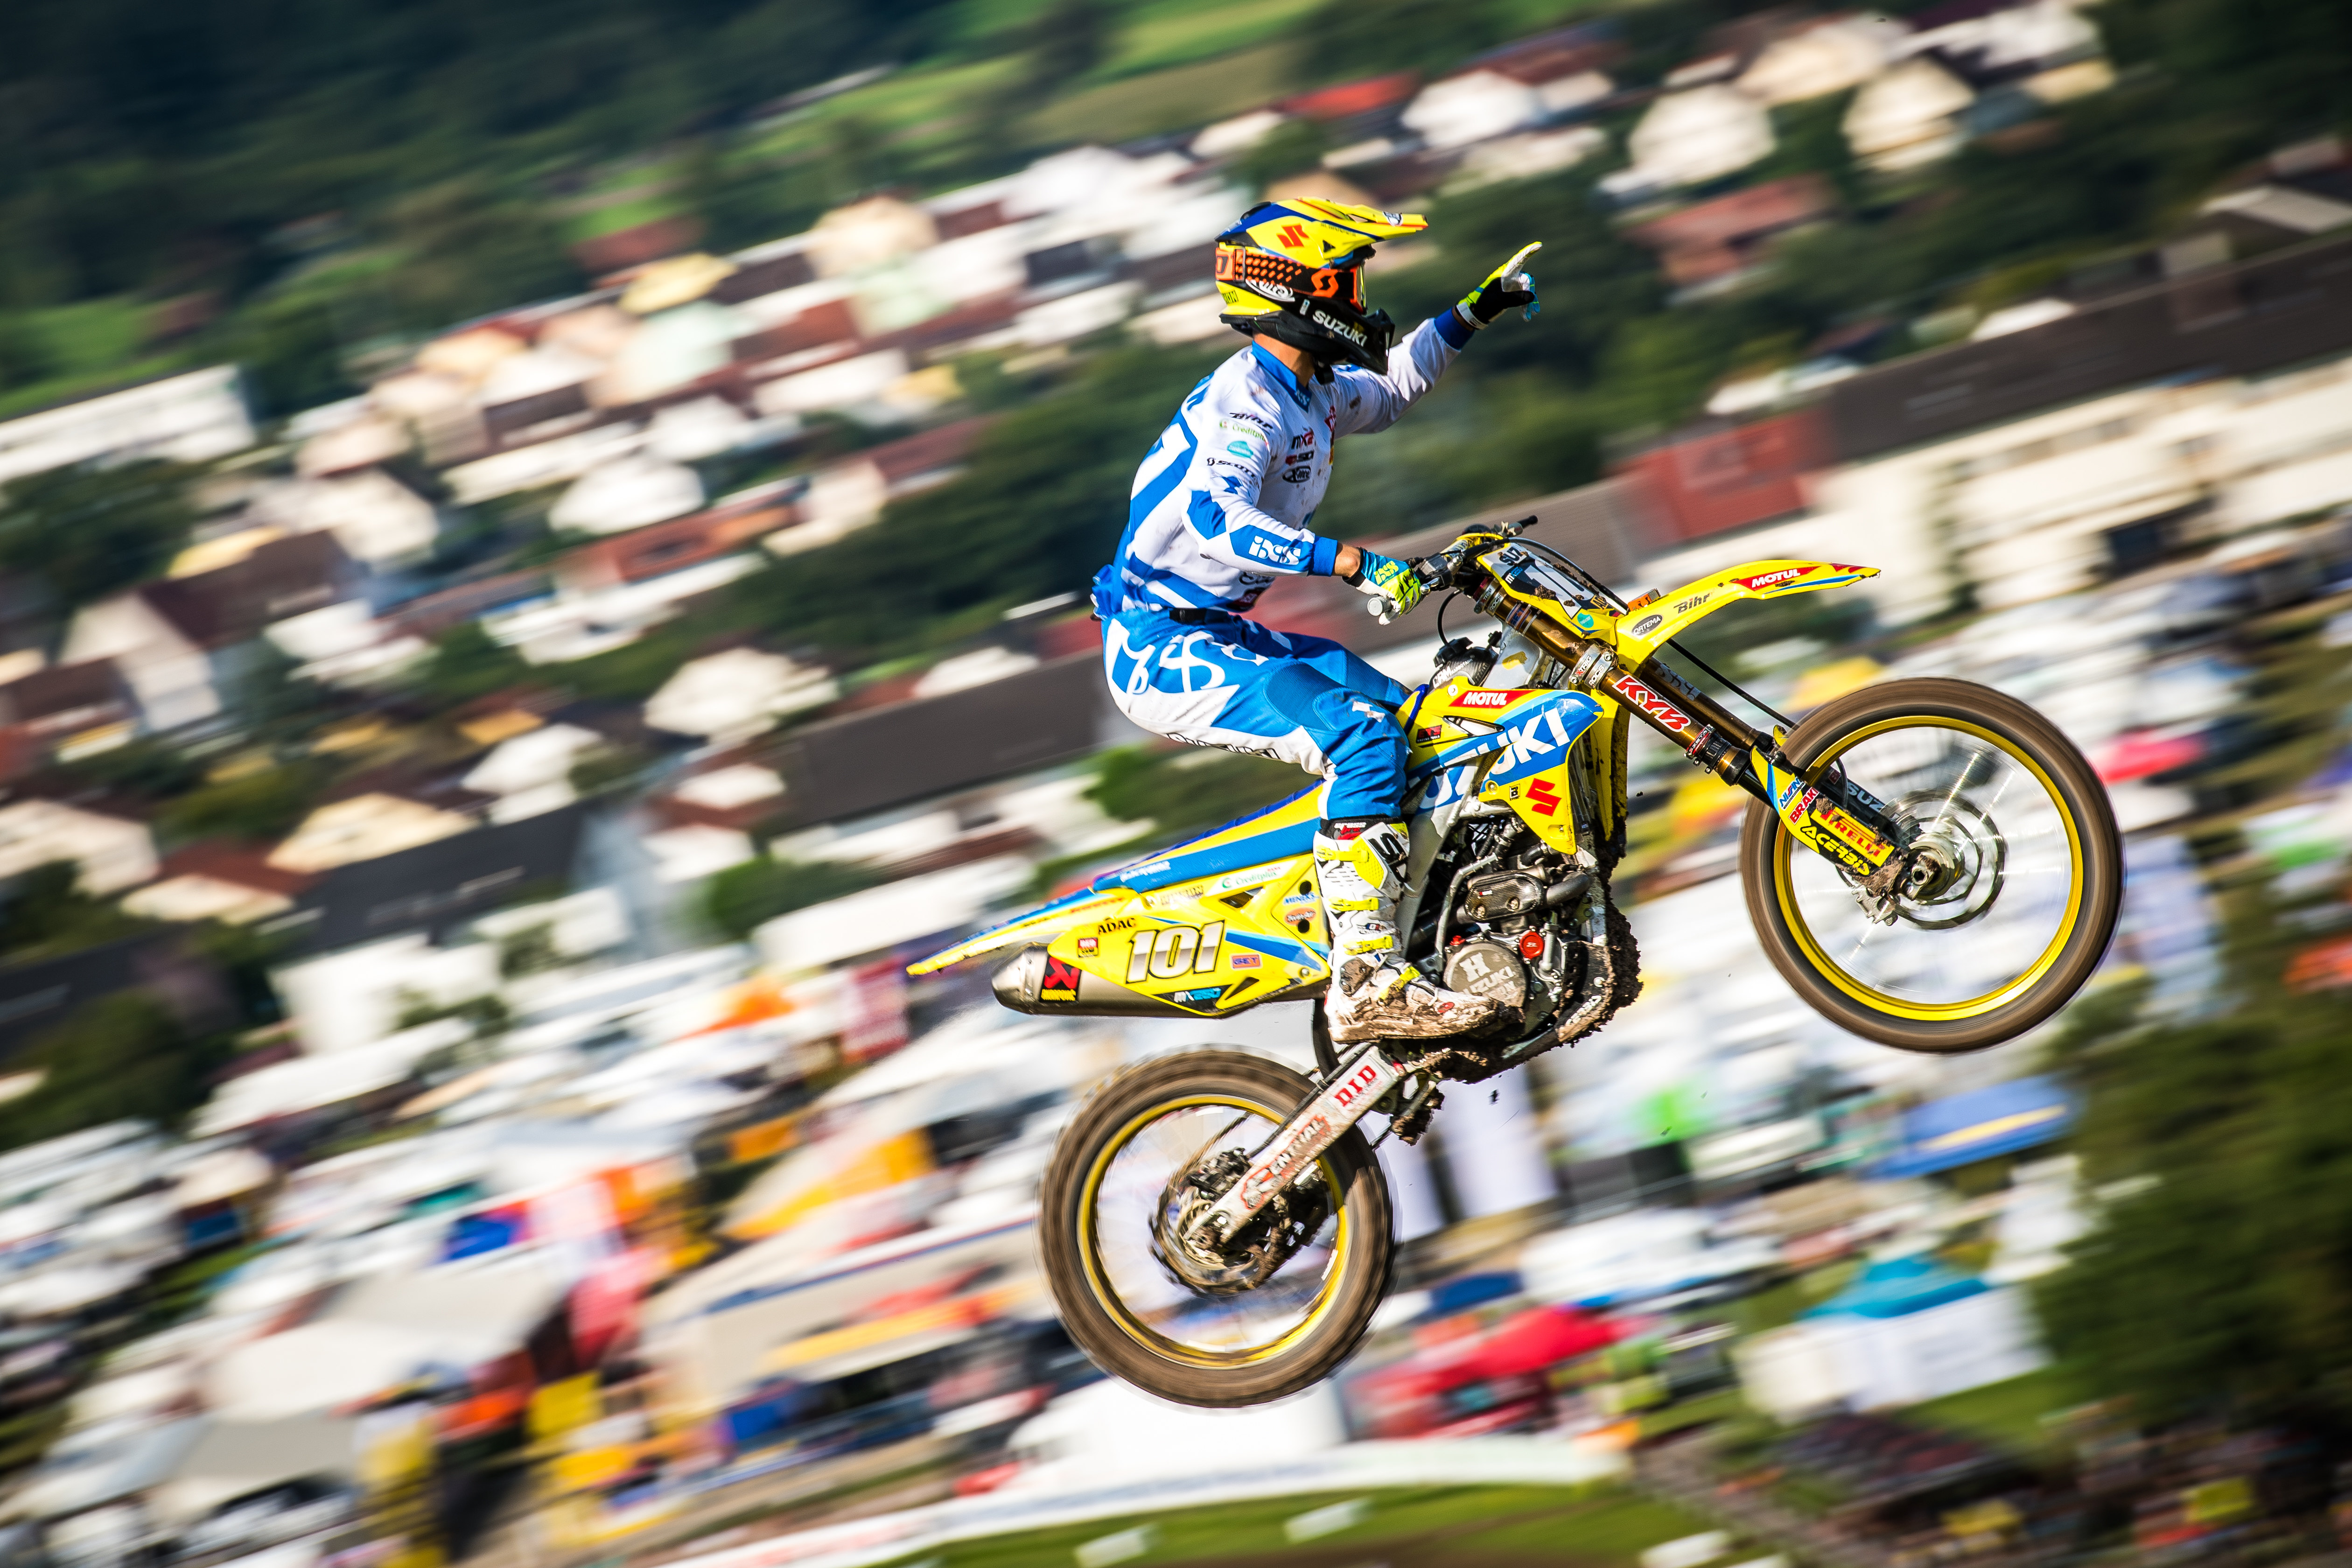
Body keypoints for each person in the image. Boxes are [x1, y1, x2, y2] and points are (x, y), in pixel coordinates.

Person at [1090, 197, 1542, 1043]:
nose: (1362, 301)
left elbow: (1394, 390)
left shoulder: (1310, 388)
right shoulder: (1247, 404)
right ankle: (1365, 977)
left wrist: (1473, 312)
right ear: (1299, 292)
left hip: (1219, 628)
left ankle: (1429, 920)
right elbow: (1217, 521)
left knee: (1421, 720)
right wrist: (1352, 562)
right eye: (1348, 283)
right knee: (1360, 739)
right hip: (1160, 646)